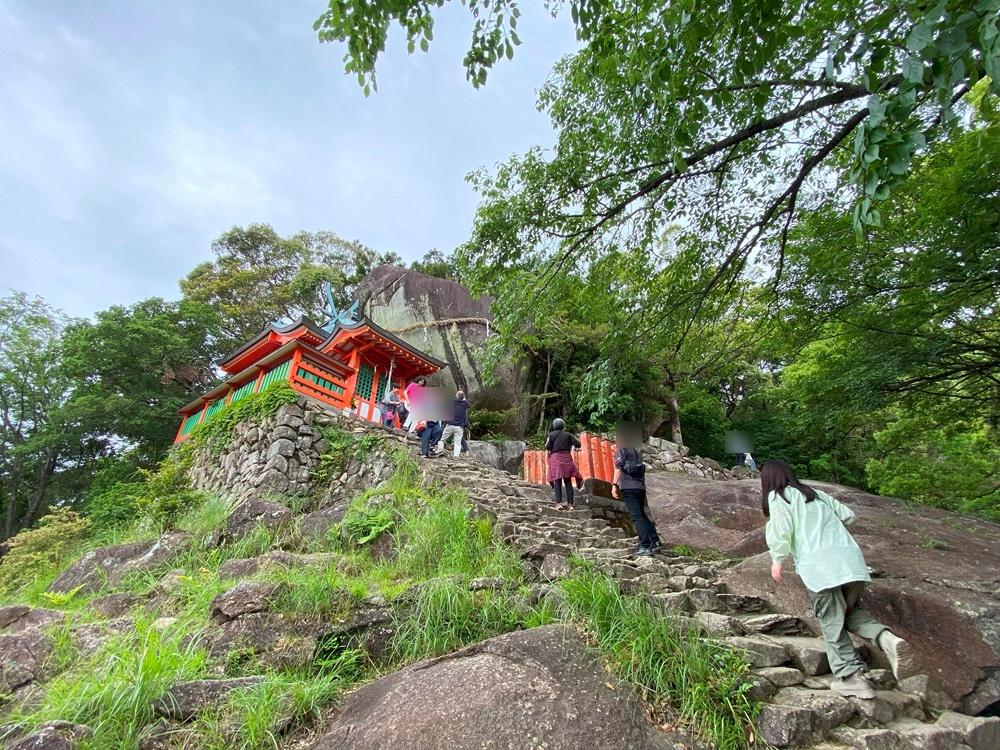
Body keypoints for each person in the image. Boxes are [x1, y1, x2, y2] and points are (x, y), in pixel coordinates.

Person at [762, 459, 916, 699]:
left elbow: (781, 528)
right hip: (851, 562)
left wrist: (777, 559)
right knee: (848, 613)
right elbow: (849, 517)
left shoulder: (778, 496)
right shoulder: (816, 495)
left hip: (821, 568)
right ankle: (887, 639)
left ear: (768, 479)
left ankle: (851, 677)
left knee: (831, 621)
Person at [612, 433, 661, 557]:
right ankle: (655, 541)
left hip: (629, 487)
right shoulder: (635, 451)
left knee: (636, 517)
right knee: (643, 515)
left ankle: (645, 546)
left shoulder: (621, 450)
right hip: (640, 487)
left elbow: (618, 468)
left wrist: (614, 485)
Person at [545, 418, 584, 510]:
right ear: (563, 426)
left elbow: (547, 447)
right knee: (568, 481)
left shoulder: (551, 435)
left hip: (556, 460)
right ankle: (570, 505)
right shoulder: (568, 435)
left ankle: (559, 503)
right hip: (566, 458)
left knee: (557, 481)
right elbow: (578, 444)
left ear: (554, 426)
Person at [438, 390, 470, 458]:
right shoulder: (464, 404)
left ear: (456, 395)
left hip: (449, 424)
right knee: (457, 442)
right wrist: (464, 398)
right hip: (459, 426)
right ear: (463, 396)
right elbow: (468, 405)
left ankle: (440, 450)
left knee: (442, 439)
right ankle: (456, 456)